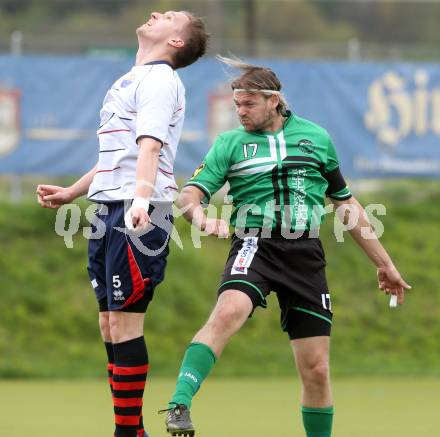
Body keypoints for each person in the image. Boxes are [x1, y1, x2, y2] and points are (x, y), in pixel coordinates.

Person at [162, 57, 411, 437]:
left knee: (317, 369)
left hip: (305, 254)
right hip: (254, 245)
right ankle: (180, 403)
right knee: (228, 312)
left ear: (274, 100)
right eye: (236, 105)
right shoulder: (230, 143)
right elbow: (190, 195)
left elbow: (346, 204)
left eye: (248, 104)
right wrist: (199, 216)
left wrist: (385, 263)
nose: (240, 112)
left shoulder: (317, 139)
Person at [36, 11, 209, 437]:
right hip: (109, 208)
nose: (156, 13)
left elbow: (149, 147)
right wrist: (72, 192)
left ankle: (127, 433)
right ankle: (129, 429)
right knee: (109, 323)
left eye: (169, 16)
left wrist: (142, 201)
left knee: (127, 322)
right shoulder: (131, 79)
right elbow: (117, 158)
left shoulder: (160, 80)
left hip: (138, 211)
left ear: (177, 43)